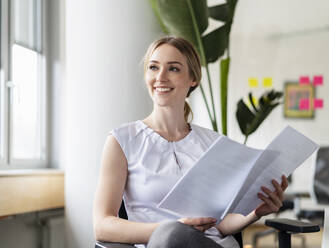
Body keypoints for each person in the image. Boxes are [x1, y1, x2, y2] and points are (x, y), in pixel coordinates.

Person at [93, 36, 288, 248]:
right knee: (174, 235)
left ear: (192, 79)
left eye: (173, 69)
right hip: (162, 243)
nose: (161, 77)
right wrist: (170, 228)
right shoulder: (122, 141)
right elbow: (102, 225)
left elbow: (219, 224)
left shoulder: (213, 142)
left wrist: (253, 214)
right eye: (153, 67)